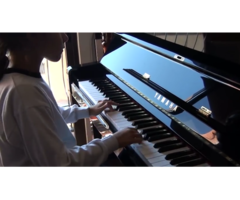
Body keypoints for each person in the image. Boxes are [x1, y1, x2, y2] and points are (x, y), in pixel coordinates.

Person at [0, 32, 143, 168]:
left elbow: (49, 116)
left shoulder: (19, 80)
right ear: (32, 35)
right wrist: (113, 141)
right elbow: (63, 164)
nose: (66, 38)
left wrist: (88, 110)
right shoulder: (24, 92)